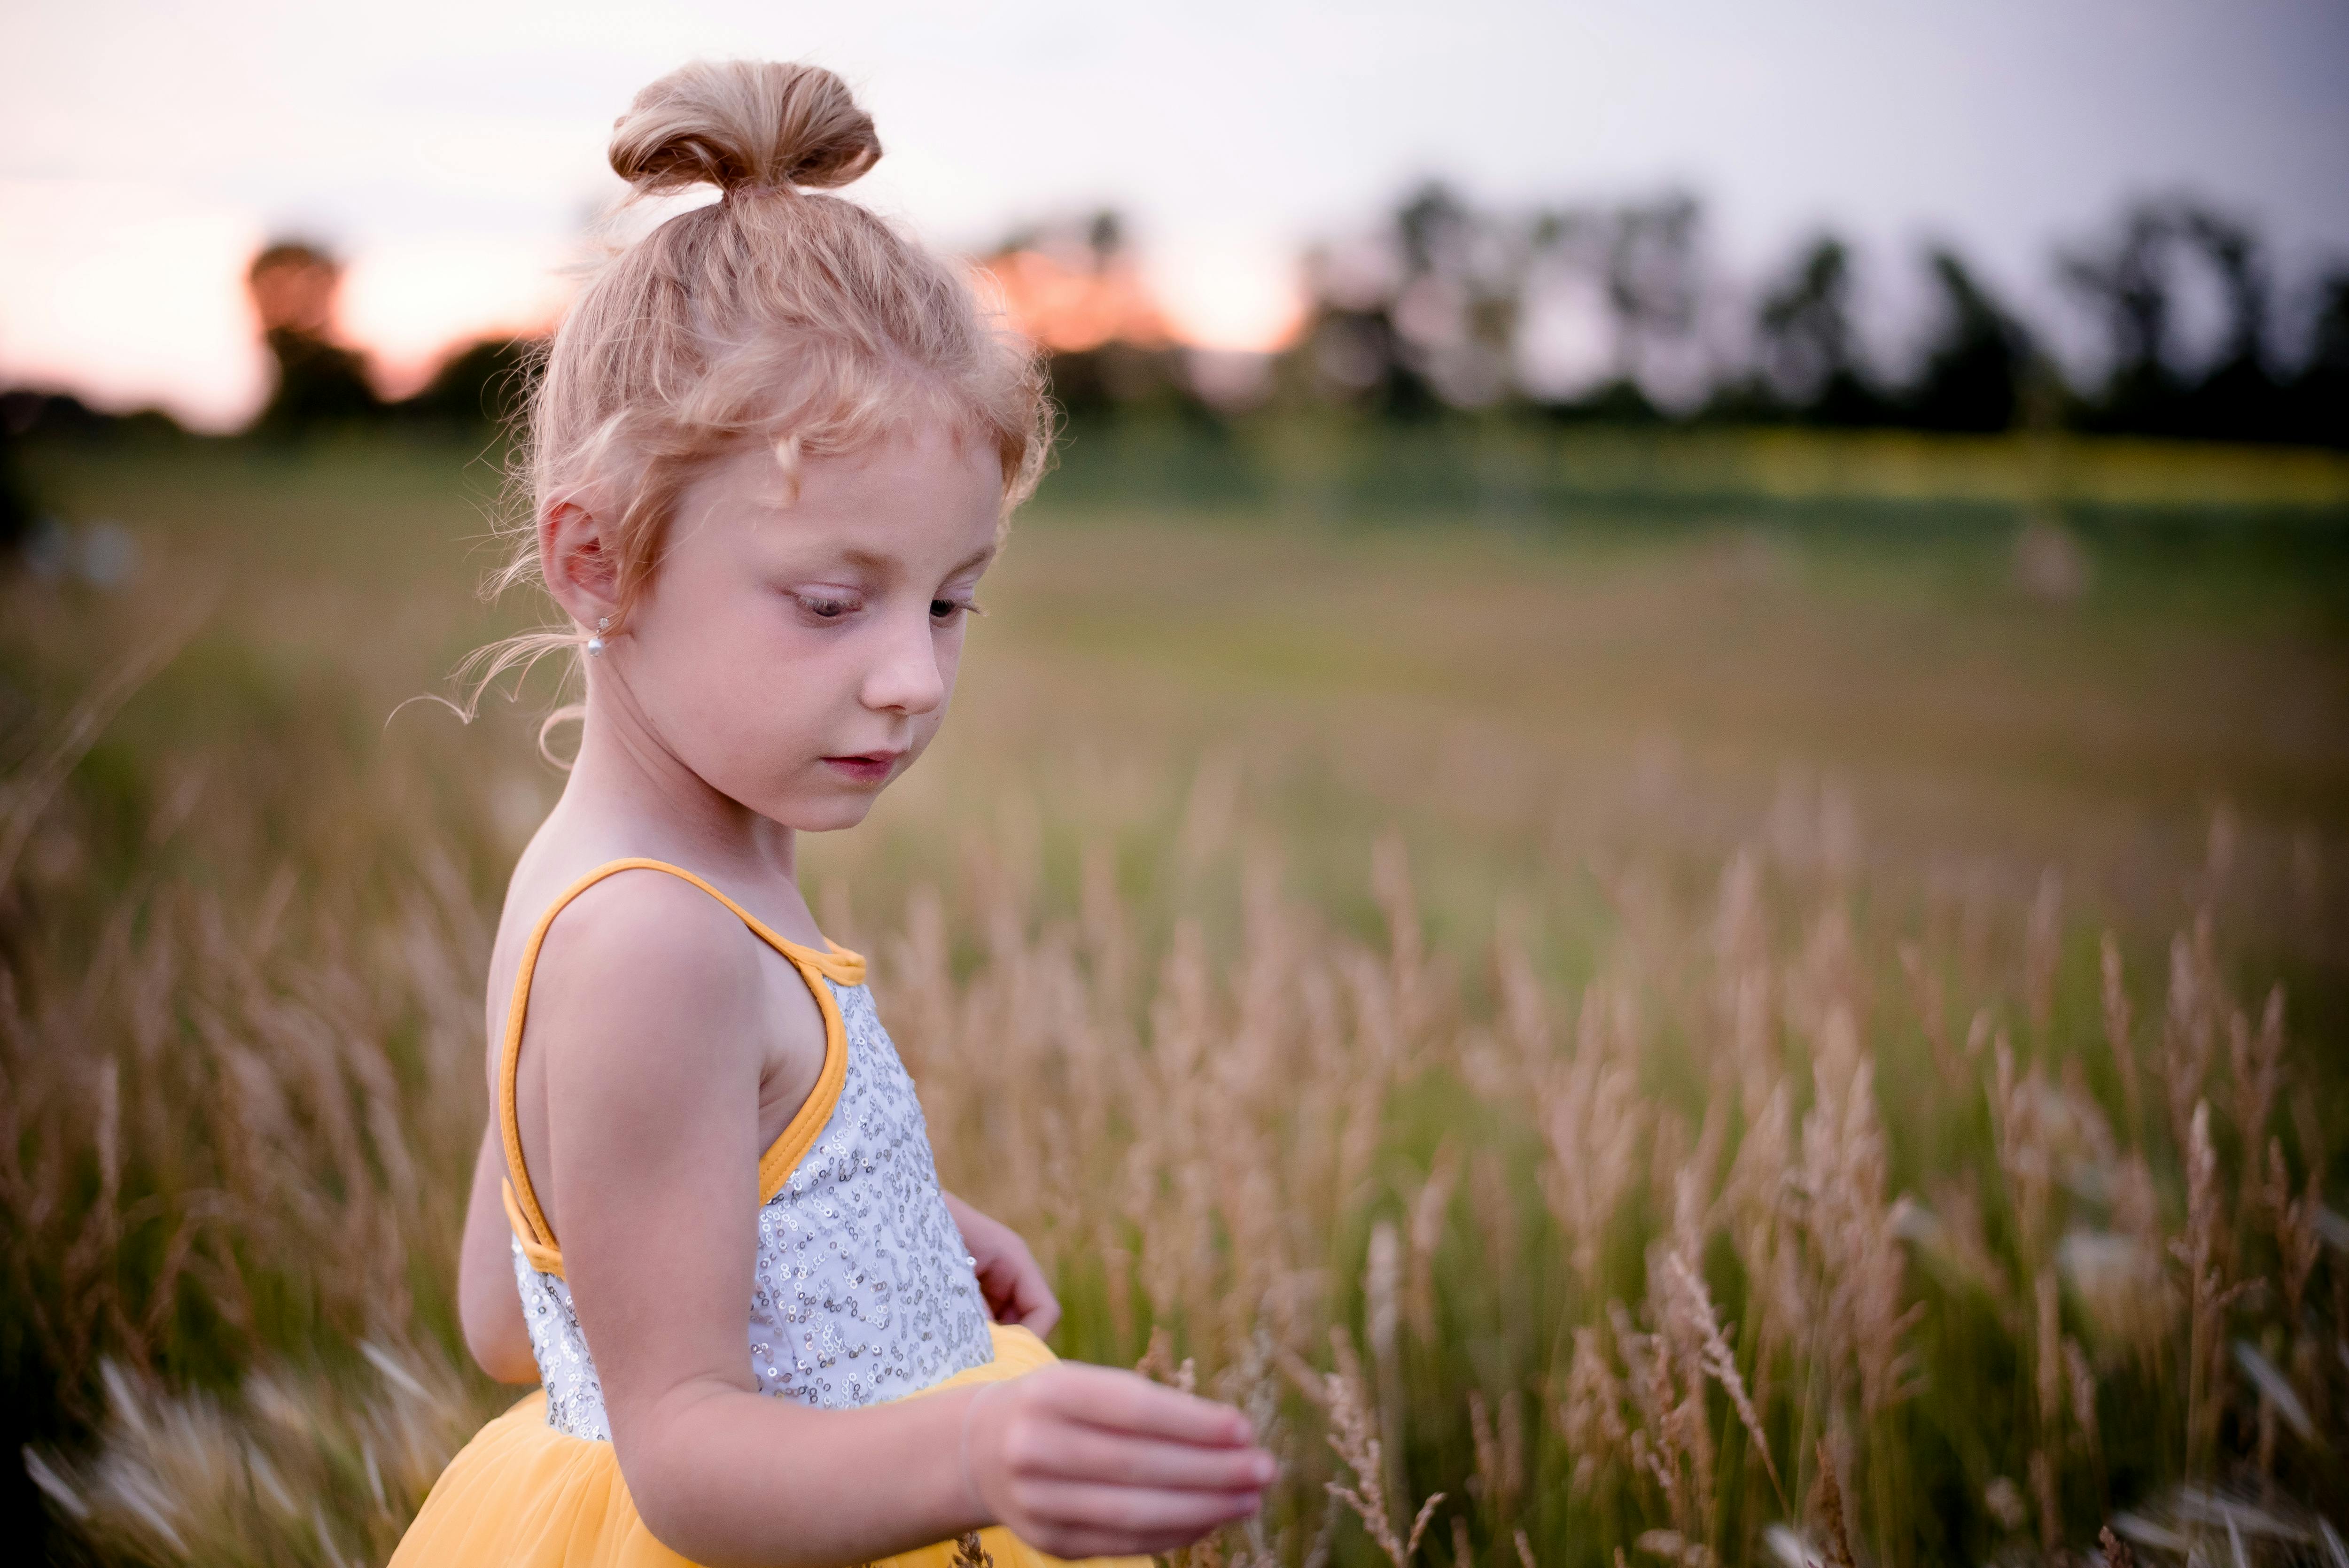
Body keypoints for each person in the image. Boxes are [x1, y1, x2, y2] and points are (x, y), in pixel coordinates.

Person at [391, 59, 1272, 1568]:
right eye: (829, 602)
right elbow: (679, 1451)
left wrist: (880, 1246)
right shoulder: (655, 941)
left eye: (950, 601)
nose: (909, 678)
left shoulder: (621, 865)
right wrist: (973, 1443)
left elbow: (515, 1309)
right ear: (598, 561)